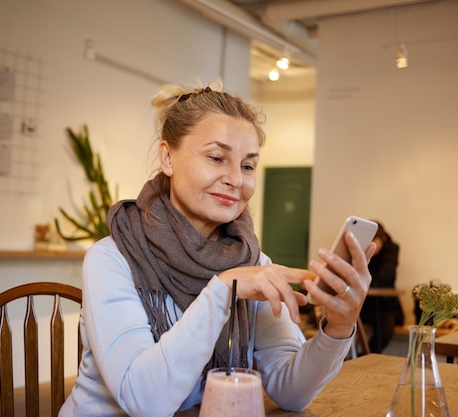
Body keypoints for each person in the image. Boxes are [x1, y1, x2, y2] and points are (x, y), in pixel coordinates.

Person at [58, 81, 376, 417]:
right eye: (216, 157)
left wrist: (338, 328)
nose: (236, 179)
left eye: (248, 165)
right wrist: (224, 288)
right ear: (168, 157)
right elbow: (144, 401)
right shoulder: (112, 258)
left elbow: (290, 390)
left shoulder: (251, 262)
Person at [359, 221, 404, 353]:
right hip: (367, 303)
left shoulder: (392, 249)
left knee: (385, 326)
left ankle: (365, 357)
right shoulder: (362, 248)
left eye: (373, 243)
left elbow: (385, 276)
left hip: (386, 305)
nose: (370, 247)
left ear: (382, 239)